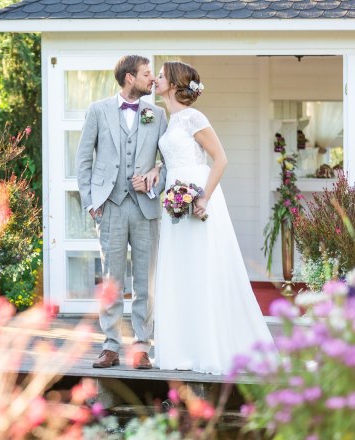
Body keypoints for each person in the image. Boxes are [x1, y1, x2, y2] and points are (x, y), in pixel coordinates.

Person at [143, 61, 275, 374]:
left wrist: (204, 197)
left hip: (198, 196)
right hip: (175, 198)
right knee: (181, 269)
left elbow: (220, 159)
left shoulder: (193, 118)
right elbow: (172, 158)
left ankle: (211, 348)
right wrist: (158, 169)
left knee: (203, 267)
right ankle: (184, 349)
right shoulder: (169, 120)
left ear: (174, 83)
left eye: (160, 76)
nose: (156, 80)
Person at [76, 55, 168, 370]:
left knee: (145, 282)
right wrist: (90, 201)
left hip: (145, 209)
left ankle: (141, 347)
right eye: (146, 74)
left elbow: (169, 162)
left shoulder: (157, 114)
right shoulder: (98, 110)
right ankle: (111, 346)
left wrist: (155, 178)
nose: (152, 80)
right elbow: (83, 158)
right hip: (111, 207)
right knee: (112, 281)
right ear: (129, 78)